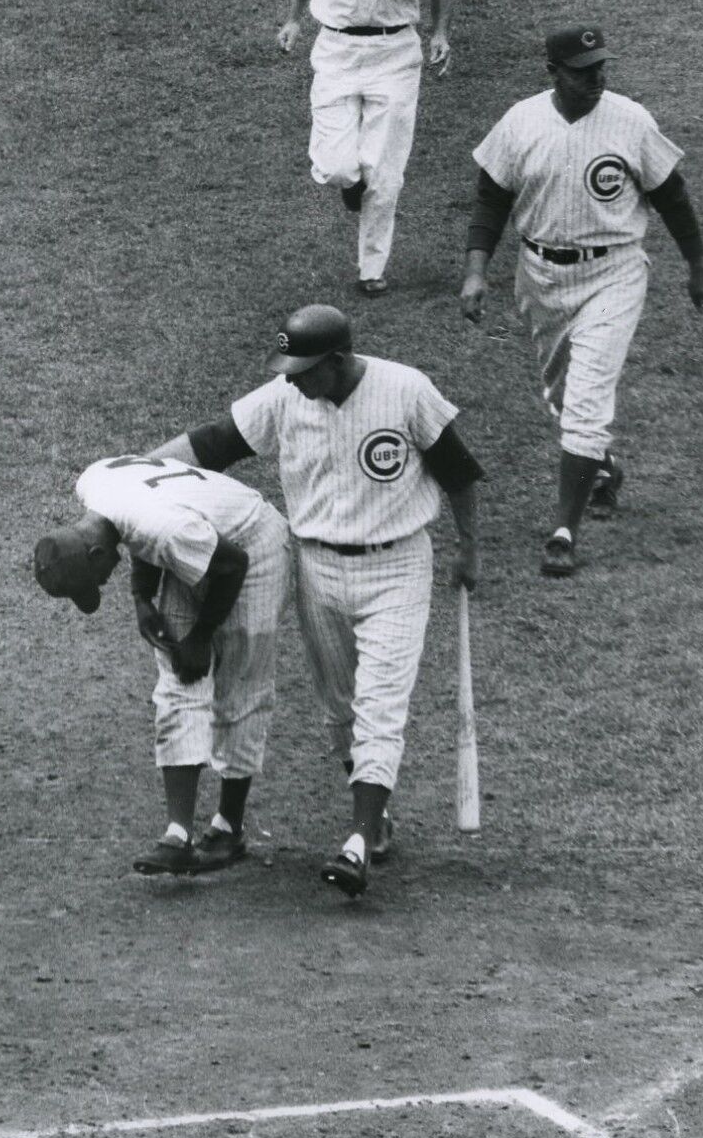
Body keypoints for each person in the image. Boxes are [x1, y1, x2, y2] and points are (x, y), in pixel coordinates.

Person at [150, 305, 482, 898]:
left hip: (398, 564)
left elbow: (458, 472)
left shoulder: (406, 391)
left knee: (381, 703)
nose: (293, 379)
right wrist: (137, 471)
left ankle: (356, 843)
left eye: (304, 369)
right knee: (340, 708)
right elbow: (213, 443)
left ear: (338, 360)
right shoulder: (285, 397)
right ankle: (374, 817)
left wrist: (470, 548)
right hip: (318, 566)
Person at [459, 25, 703, 578]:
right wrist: (476, 273)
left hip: (614, 273)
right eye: (583, 71)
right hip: (540, 275)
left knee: (586, 397)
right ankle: (600, 465)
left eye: (601, 68)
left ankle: (563, 531)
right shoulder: (521, 122)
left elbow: (672, 196)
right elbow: (491, 200)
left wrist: (698, 268)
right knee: (560, 391)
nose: (597, 78)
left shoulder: (630, 120)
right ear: (553, 71)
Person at [34, 455, 292, 876]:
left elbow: (231, 564)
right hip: (195, 538)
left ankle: (228, 827)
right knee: (178, 677)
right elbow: (140, 531)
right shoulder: (94, 486)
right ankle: (177, 835)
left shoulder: (163, 531)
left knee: (240, 683)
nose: (99, 586)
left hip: (252, 544)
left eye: (95, 580)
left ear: (97, 553)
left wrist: (202, 636)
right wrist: (142, 599)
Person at [277, 0, 462, 297]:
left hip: (395, 57)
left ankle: (372, 270)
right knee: (338, 166)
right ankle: (350, 182)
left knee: (386, 172)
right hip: (336, 52)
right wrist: (293, 20)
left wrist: (439, 32)